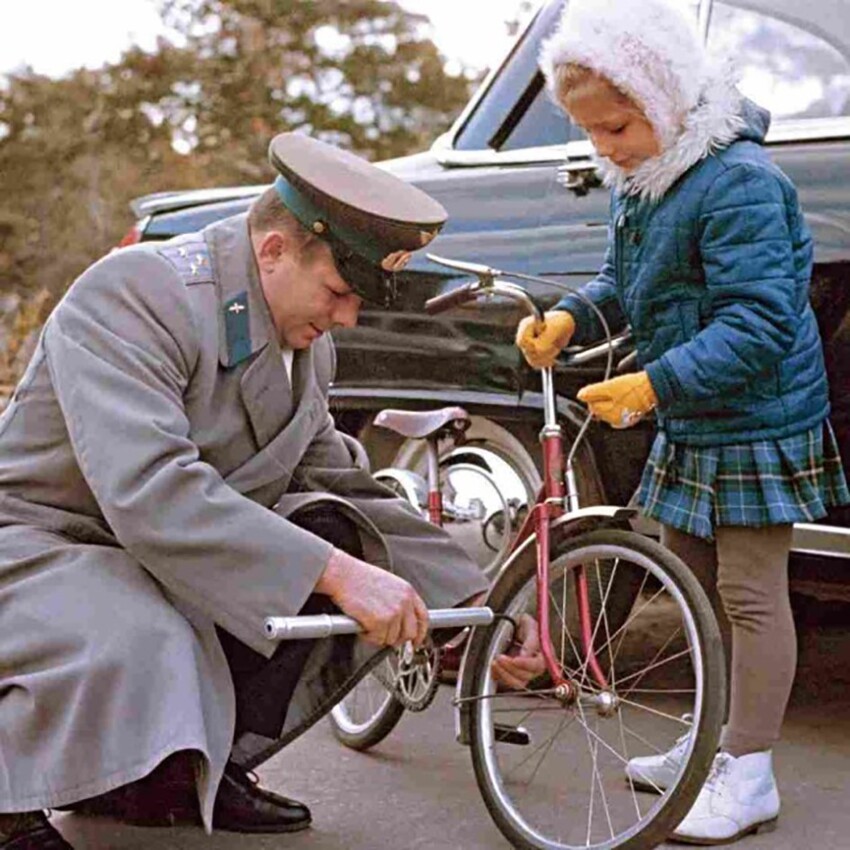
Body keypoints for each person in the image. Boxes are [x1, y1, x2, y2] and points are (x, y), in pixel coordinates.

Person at [0, 132, 497, 849]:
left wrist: (473, 599)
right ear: (272, 252)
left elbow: (332, 473)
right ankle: (14, 795)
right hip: (40, 542)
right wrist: (338, 576)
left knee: (340, 532)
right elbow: (153, 489)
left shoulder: (302, 339)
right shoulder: (135, 293)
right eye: (338, 291)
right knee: (140, 630)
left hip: (144, 553)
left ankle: (163, 780)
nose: (348, 318)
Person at [516, 0, 850, 844]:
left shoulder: (739, 182)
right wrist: (571, 318)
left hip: (755, 413)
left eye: (616, 127)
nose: (605, 147)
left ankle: (751, 771)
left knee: (748, 594)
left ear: (665, 100)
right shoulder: (649, 176)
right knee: (690, 579)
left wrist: (650, 386)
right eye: (591, 132)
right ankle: (710, 744)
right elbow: (625, 281)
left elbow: (762, 322)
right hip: (697, 404)